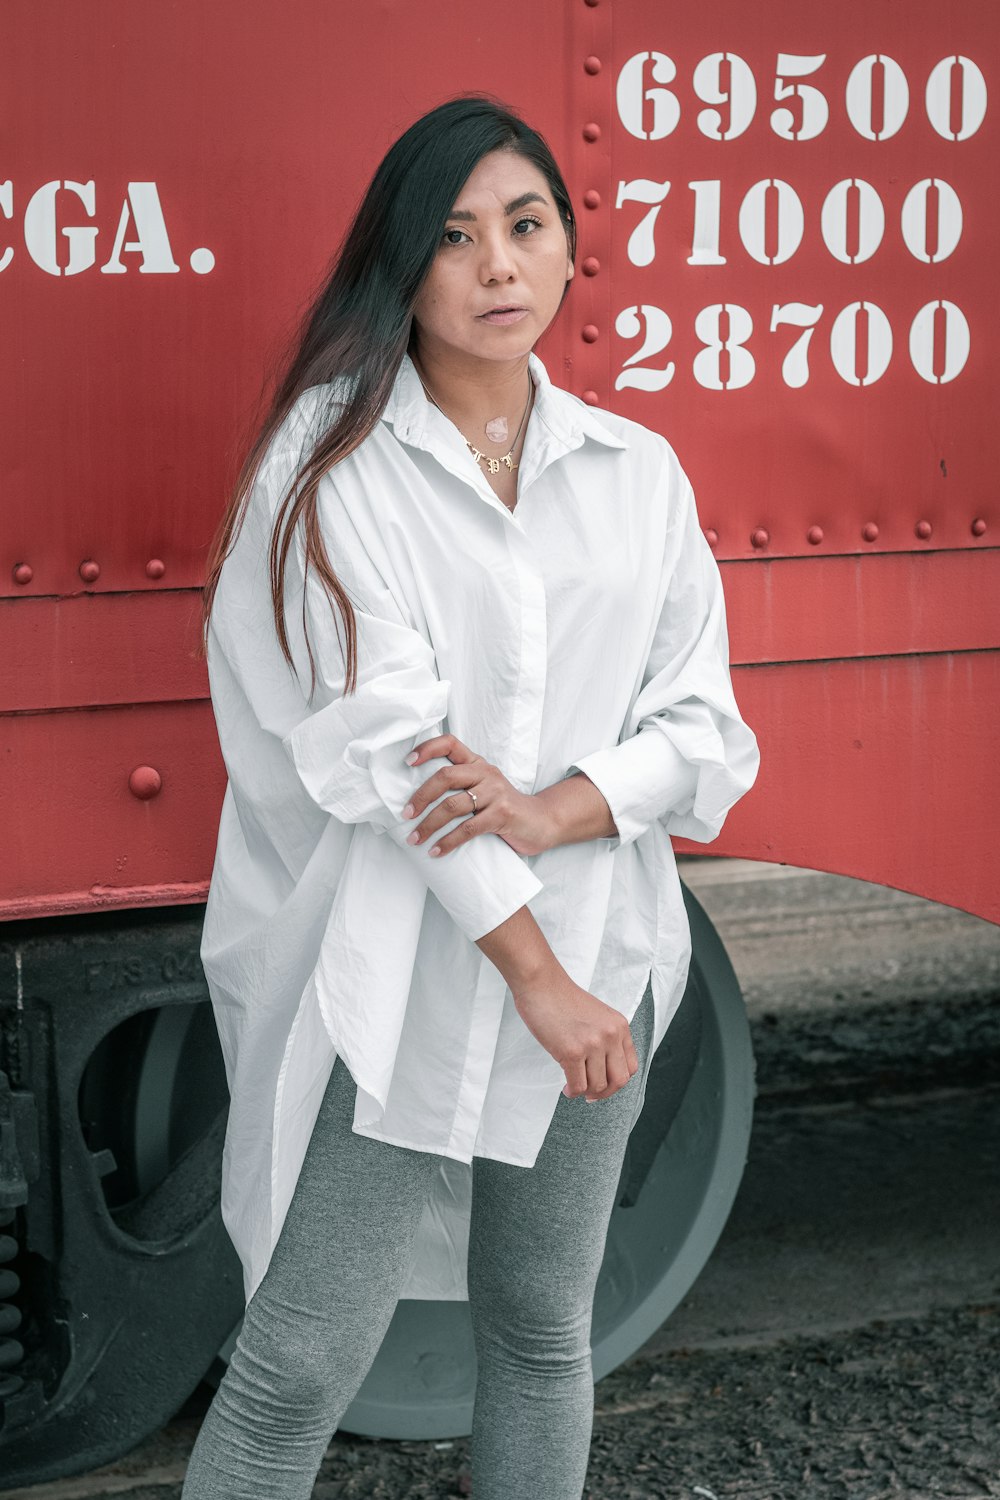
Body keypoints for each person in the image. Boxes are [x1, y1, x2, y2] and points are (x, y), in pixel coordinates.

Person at [183, 95, 759, 1500]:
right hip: (408, 977)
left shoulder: (637, 474)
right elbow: (393, 757)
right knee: (295, 1369)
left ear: (570, 251)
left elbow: (705, 730)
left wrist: (555, 811)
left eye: (526, 225)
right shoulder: (331, 467)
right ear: (401, 262)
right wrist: (538, 979)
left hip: (605, 954)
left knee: (543, 1338)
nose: (497, 265)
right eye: (452, 237)